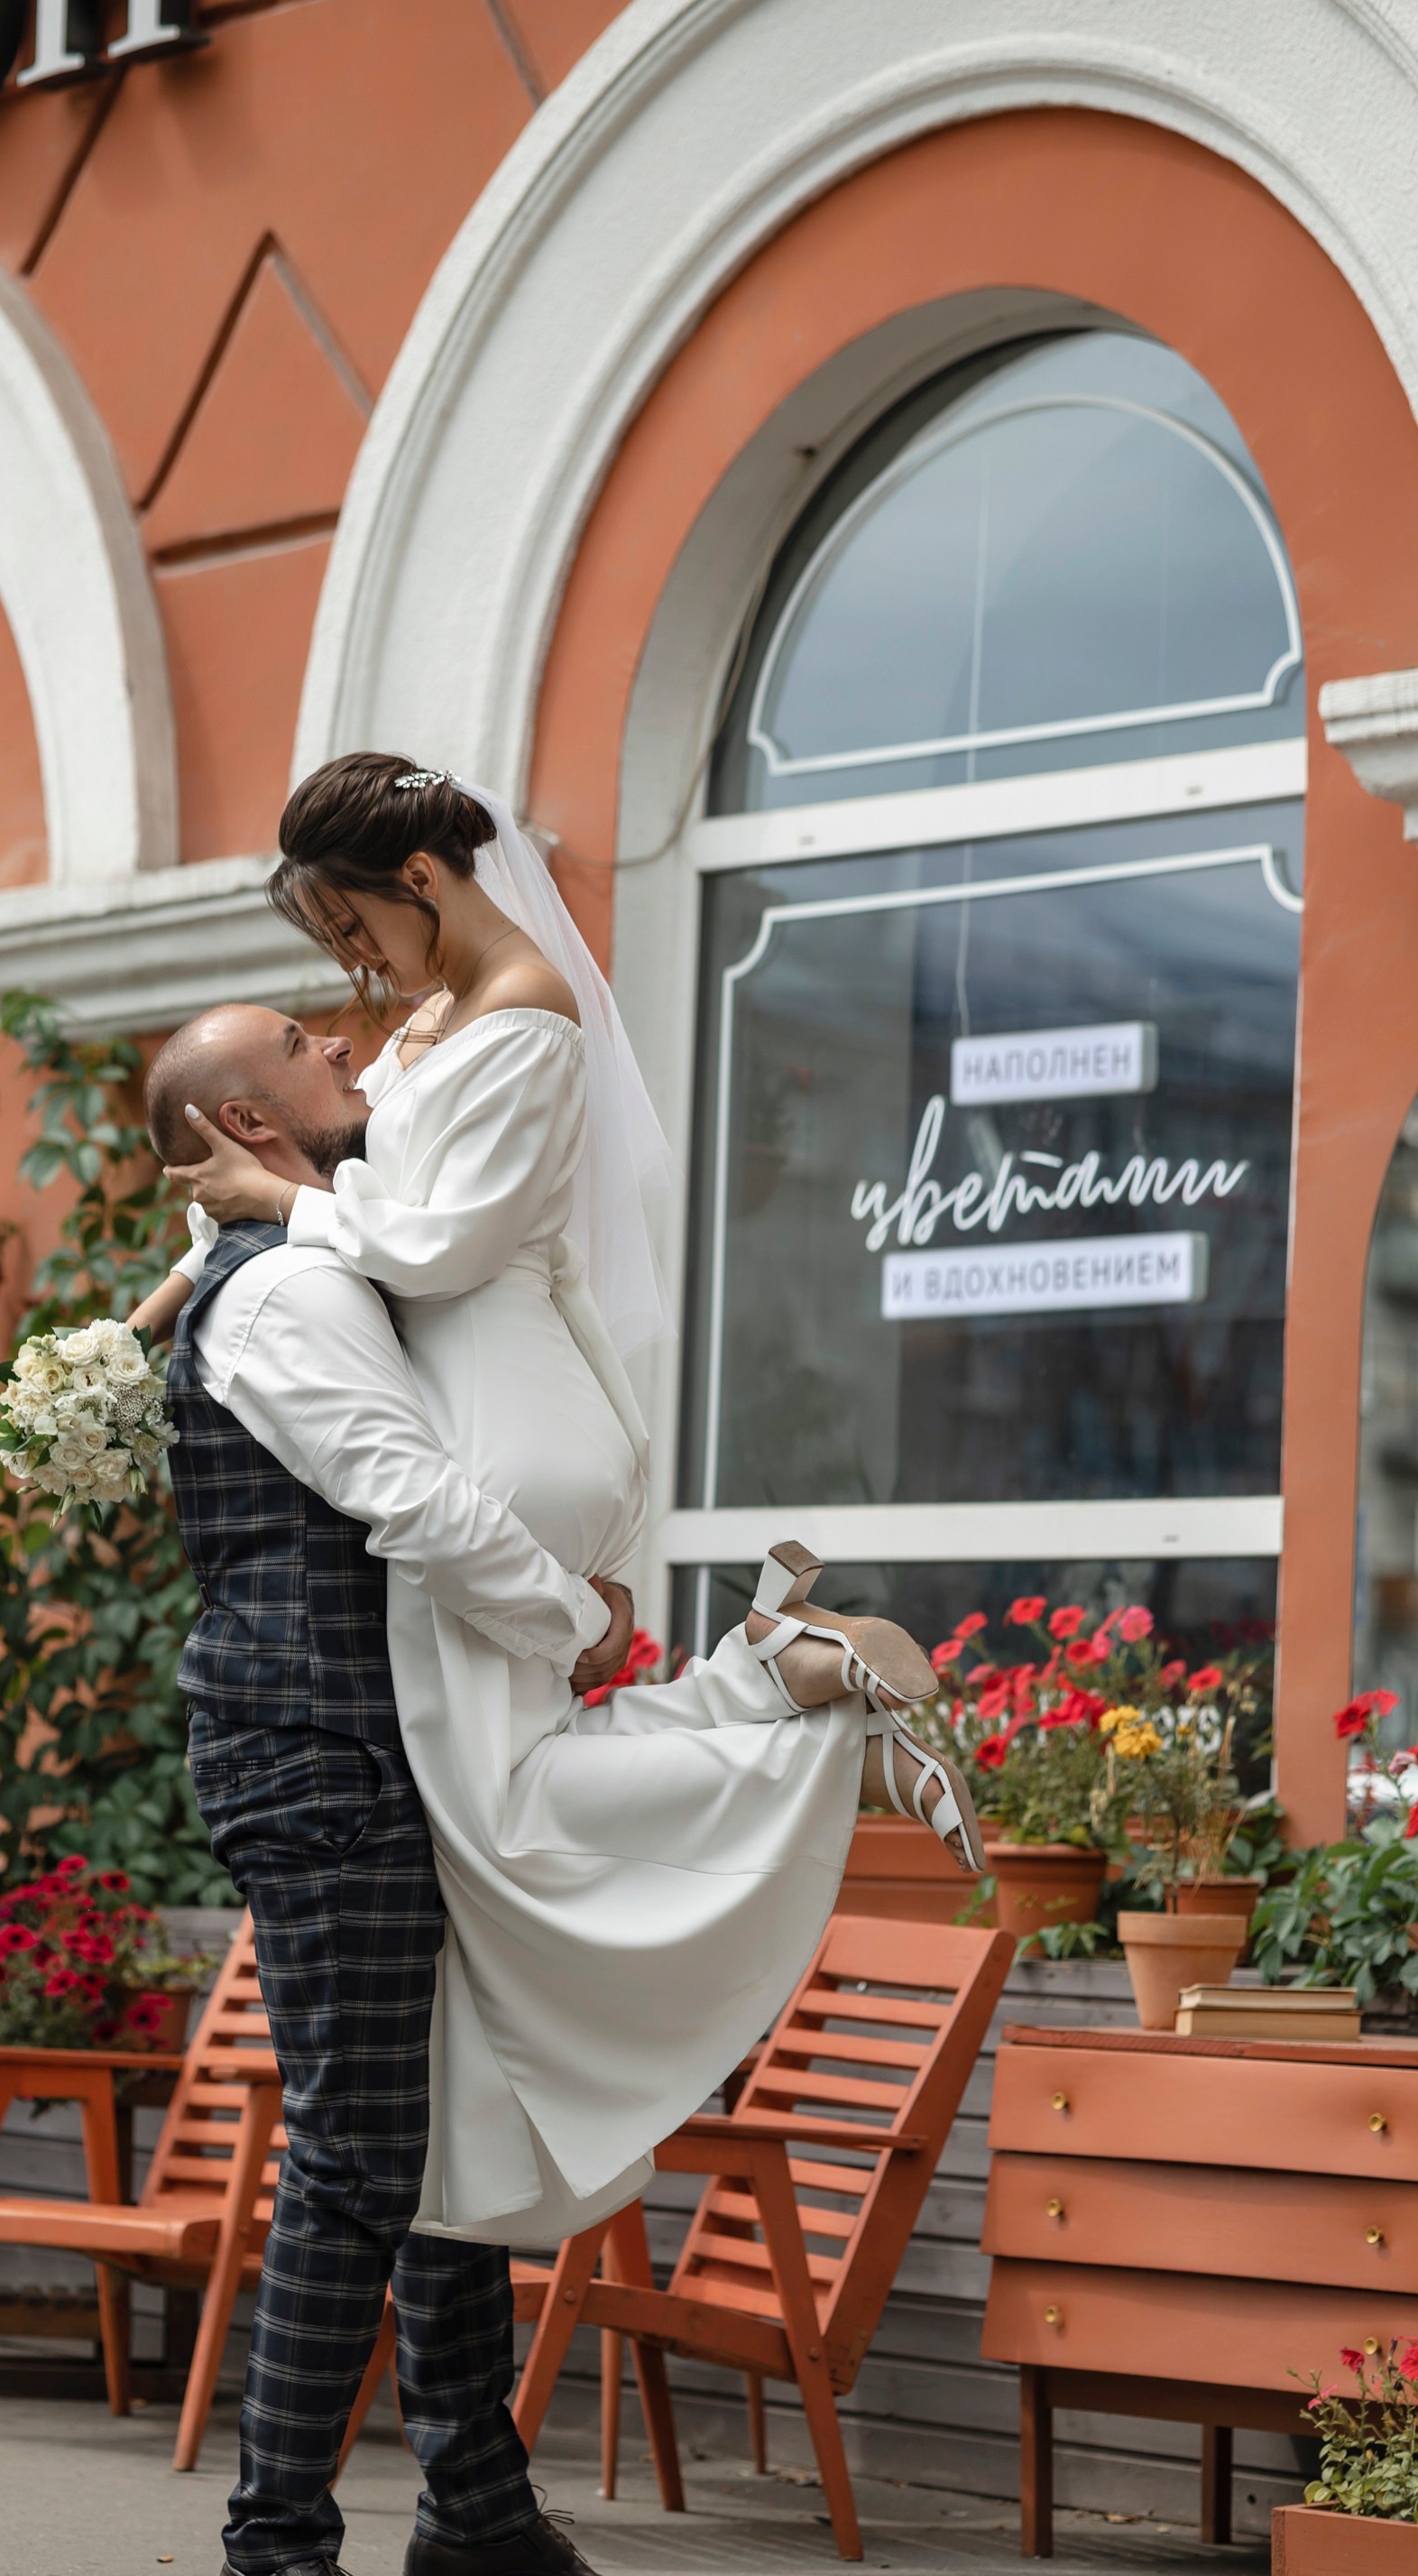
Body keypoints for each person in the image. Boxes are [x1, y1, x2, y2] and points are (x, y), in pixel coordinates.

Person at [149, 758, 981, 2267]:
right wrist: (182, 1275)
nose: (354, 967)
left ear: (421, 878)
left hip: (496, 1417)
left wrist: (278, 1207)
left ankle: (785, 1706)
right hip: (513, 1408)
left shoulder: (526, 1016)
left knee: (505, 1816)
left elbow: (438, 1247)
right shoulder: (438, 1019)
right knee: (510, 1799)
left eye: (357, 927)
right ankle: (779, 1686)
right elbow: (352, 1170)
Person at [132, 1008, 667, 2576]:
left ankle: (475, 2511)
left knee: (433, 2126)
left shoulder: (309, 1258)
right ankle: (270, 2554)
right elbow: (413, 1496)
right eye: (308, 1044)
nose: (349, 1049)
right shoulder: (282, 1295)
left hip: (376, 1742)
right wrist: (576, 1620)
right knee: (361, 2152)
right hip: (324, 1752)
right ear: (248, 1118)